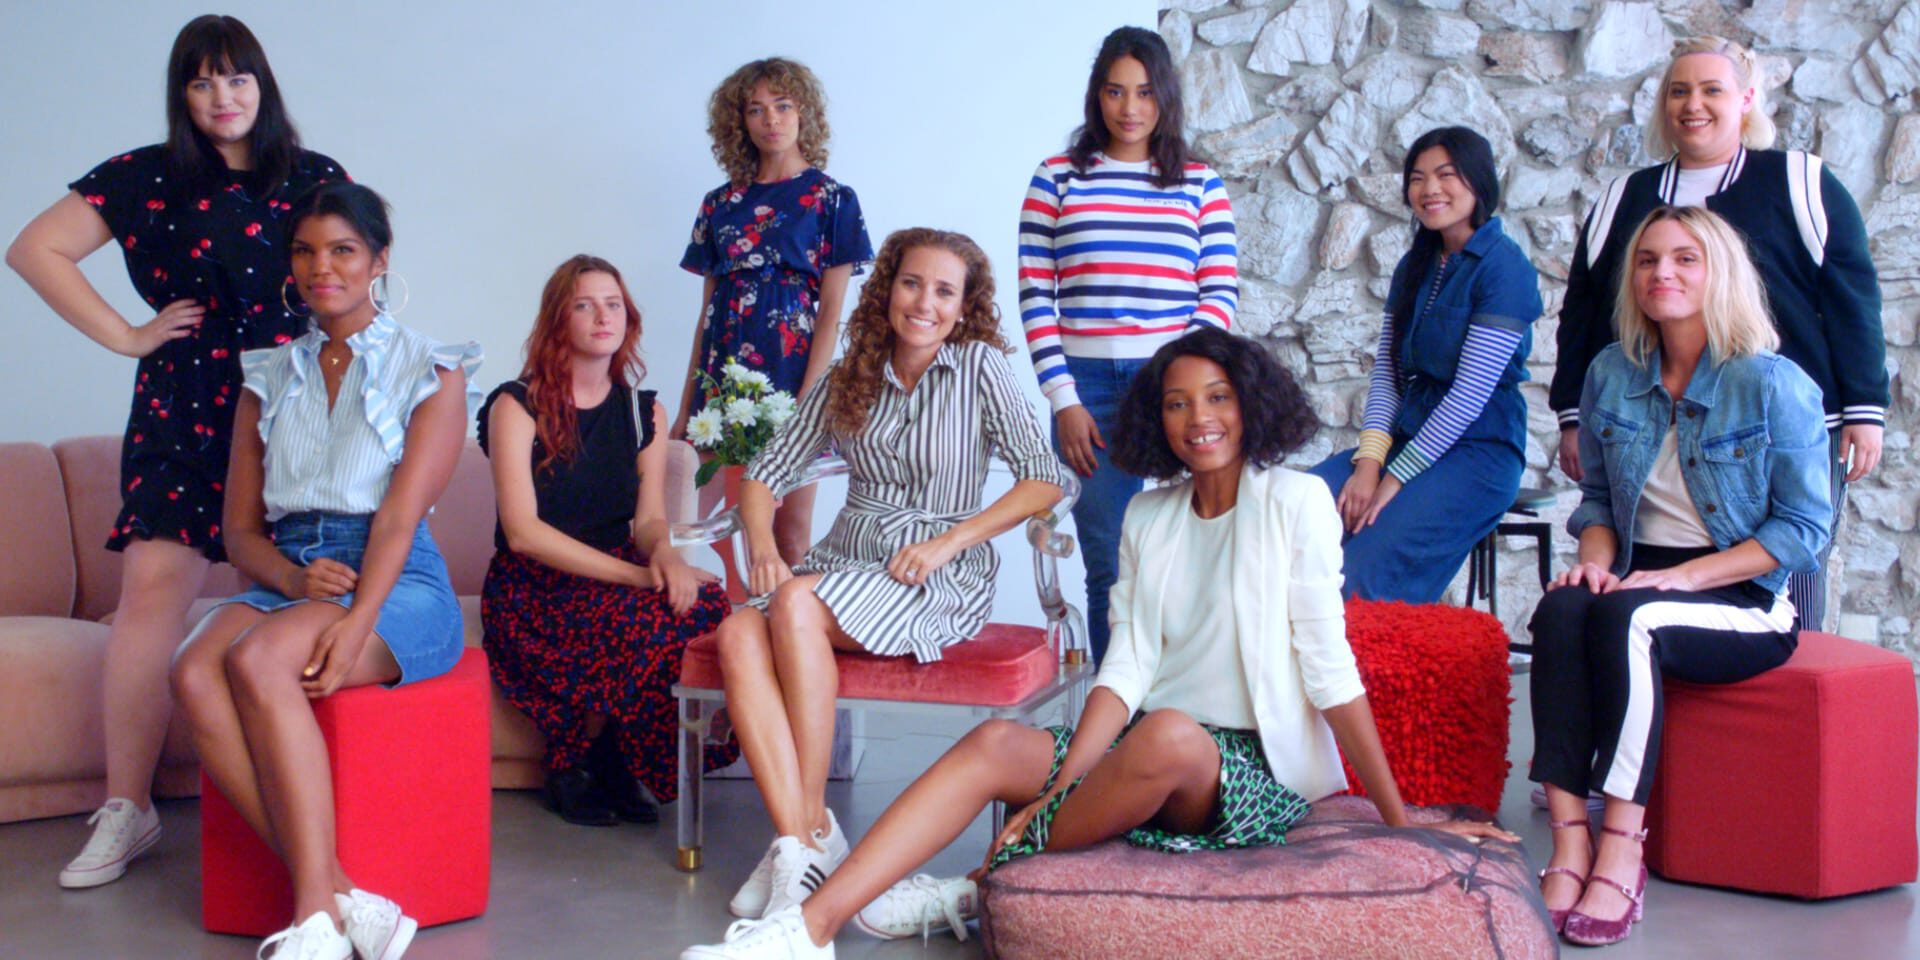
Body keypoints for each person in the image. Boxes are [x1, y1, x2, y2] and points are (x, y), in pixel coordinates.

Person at [678, 327, 1515, 959]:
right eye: (1178, 402)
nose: (1200, 419)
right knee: (998, 743)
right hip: (1146, 744)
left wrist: (1400, 822)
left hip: (1247, 770)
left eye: (1218, 396)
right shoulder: (1150, 514)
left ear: (1250, 403)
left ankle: (977, 887)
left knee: (1172, 731)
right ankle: (808, 930)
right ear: (1157, 418)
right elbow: (1129, 664)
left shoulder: (1295, 501)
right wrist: (1061, 782)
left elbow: (1330, 669)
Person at [3, 14, 346, 888]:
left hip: (293, 402)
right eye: (200, 83)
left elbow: (354, 279)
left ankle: (315, 810)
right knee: (152, 592)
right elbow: (33, 249)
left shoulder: (313, 179)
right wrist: (125, 336)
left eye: (235, 80)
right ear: (181, 95)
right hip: (185, 402)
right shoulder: (143, 175)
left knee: (304, 582)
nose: (220, 98)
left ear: (261, 87)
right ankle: (128, 806)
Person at [712, 228, 1065, 924]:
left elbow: (1044, 480)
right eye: (912, 283)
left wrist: (946, 544)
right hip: (847, 559)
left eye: (943, 291)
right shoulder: (853, 370)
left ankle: (803, 846)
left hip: (936, 574)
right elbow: (766, 472)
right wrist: (759, 539)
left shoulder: (980, 369)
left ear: (964, 308)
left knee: (794, 606)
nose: (924, 302)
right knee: (734, 632)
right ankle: (803, 838)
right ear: (888, 289)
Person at [168, 182, 481, 960]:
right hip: (291, 573)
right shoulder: (268, 376)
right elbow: (239, 532)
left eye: (342, 249)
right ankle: (341, 894)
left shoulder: (431, 370)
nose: (322, 268)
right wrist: (287, 578)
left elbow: (400, 520)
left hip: (394, 577)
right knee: (191, 670)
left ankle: (314, 916)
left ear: (379, 260)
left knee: (260, 658)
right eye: (305, 251)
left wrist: (359, 624)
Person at [1530, 206, 1829, 947]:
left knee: (1635, 619)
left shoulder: (1771, 384)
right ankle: (1570, 837)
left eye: (1686, 258)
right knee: (1563, 610)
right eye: (1648, 260)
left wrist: (1683, 579)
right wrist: (1593, 567)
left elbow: (1802, 531)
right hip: (1637, 578)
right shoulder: (1611, 373)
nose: (1663, 272)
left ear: (1718, 272)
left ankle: (1622, 844)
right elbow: (1598, 503)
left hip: (1744, 595)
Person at [1550, 35, 1884, 632]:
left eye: (1712, 90)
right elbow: (1584, 310)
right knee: (1639, 602)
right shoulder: (1625, 197)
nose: (1693, 104)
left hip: (1778, 429)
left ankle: (1785, 704)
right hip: (1656, 422)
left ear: (1747, 100)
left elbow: (1851, 294)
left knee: (1788, 588)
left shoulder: (1800, 181)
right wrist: (1573, 413)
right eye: (1679, 91)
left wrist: (1864, 407)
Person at [479, 254, 731, 826]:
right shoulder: (515, 406)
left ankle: (619, 758)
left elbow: (646, 522)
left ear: (628, 318)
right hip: (534, 584)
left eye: (613, 304)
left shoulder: (645, 412)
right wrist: (643, 578)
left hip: (615, 567)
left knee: (707, 604)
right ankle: (571, 764)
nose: (602, 316)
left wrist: (665, 557)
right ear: (557, 319)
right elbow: (524, 534)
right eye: (584, 304)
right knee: (639, 614)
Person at [1018, 25, 1236, 662]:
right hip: (1087, 392)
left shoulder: (1200, 182)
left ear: (1164, 96)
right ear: (1097, 97)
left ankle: (1188, 711)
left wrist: (1186, 387)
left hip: (1172, 387)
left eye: (1144, 92)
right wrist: (1064, 400)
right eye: (1115, 91)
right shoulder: (1057, 178)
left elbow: (1218, 296)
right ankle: (1119, 726)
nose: (1130, 107)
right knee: (1109, 563)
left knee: (1189, 556)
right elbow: (1036, 295)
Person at [1307, 126, 1542, 603]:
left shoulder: (1504, 268)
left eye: (1446, 175)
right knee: (1295, 513)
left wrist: (1393, 480)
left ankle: (1368, 673)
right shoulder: (1415, 264)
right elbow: (1389, 377)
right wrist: (1370, 462)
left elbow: (1469, 397)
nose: (1429, 189)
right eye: (1417, 178)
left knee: (1362, 570)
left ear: (1478, 182)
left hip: (1479, 450)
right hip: (1407, 438)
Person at [673, 56, 872, 570]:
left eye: (782, 106)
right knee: (707, 521)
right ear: (739, 122)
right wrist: (685, 404)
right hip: (724, 381)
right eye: (757, 110)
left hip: (792, 374)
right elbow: (706, 315)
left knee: (790, 532)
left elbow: (831, 313)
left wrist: (809, 400)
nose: (772, 120)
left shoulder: (832, 200)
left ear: (803, 112)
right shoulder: (719, 204)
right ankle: (735, 629)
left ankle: (785, 639)